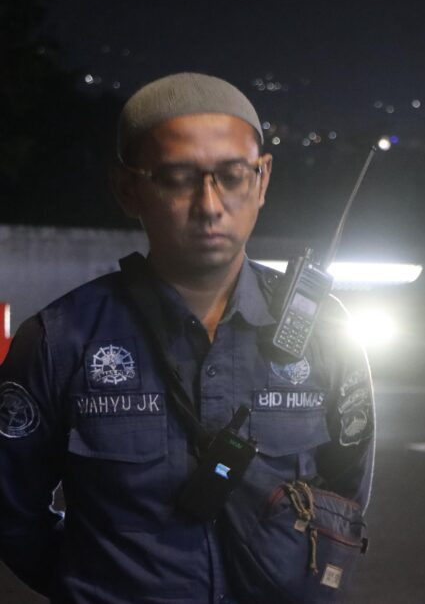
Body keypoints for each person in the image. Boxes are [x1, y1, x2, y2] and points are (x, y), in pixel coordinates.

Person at [0, 72, 374, 603]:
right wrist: (94, 582)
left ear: (262, 180)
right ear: (127, 188)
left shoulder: (325, 331)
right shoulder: (60, 340)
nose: (209, 205)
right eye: (177, 178)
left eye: (233, 175)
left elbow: (345, 499)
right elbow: (12, 512)